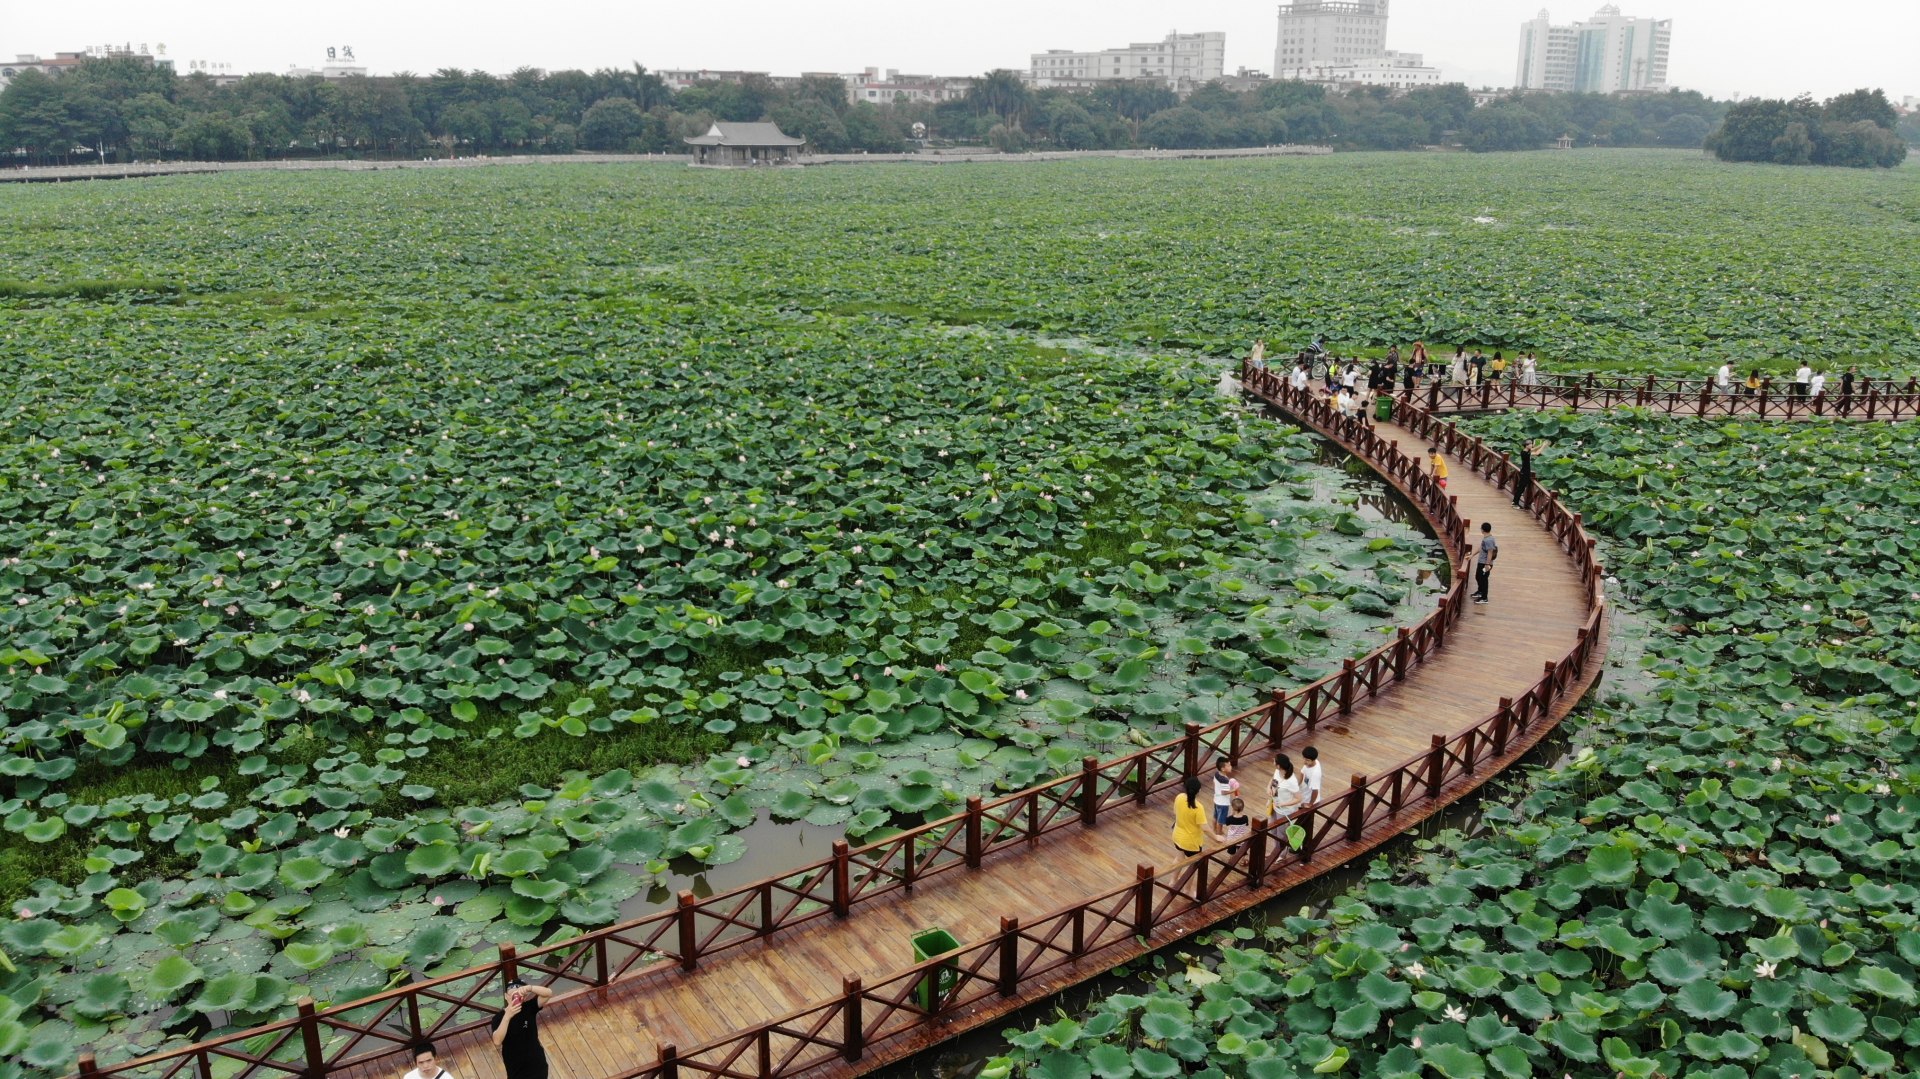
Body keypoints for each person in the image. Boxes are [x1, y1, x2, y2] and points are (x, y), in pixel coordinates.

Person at [492, 980, 554, 1079]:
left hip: (536, 1062)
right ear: (506, 996)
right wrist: (507, 1016)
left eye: (518, 995)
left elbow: (548, 993)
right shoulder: (499, 1018)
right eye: (512, 994)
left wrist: (530, 988)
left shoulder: (529, 1007)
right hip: (515, 1067)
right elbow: (497, 1041)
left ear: (523, 998)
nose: (515, 998)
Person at [1172, 775, 1208, 857]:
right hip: (1191, 842)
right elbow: (1205, 828)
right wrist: (1216, 837)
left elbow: (1175, 812)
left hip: (1177, 836)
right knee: (1197, 864)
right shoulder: (1198, 807)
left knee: (1179, 860)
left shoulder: (1179, 797)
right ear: (1199, 790)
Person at [1268, 753, 1303, 824]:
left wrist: (1282, 804)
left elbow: (1299, 798)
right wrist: (1269, 787)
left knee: (1281, 834)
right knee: (1272, 829)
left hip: (1284, 811)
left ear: (1278, 766)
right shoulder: (1277, 771)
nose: (1273, 761)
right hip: (1274, 806)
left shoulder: (1291, 781)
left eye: (1275, 761)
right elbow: (1273, 778)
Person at [1512, 439, 1544, 509]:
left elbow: (1533, 449)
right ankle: (1515, 503)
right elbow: (1537, 453)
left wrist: (1541, 445)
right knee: (1521, 488)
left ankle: (1515, 501)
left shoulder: (1526, 451)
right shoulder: (1525, 453)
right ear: (1527, 445)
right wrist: (1543, 446)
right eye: (1530, 444)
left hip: (1525, 471)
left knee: (1521, 487)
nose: (1531, 445)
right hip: (1525, 473)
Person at [1211, 755, 1239, 833]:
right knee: (1221, 820)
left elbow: (1214, 783)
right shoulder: (1225, 780)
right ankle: (1219, 833)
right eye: (1229, 765)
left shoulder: (1216, 774)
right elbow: (1224, 792)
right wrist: (1234, 789)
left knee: (1215, 816)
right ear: (1223, 769)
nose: (1231, 767)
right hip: (1223, 803)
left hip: (1216, 799)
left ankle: (1213, 829)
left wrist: (1217, 791)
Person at [1473, 521, 1498, 605]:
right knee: (1478, 577)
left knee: (1484, 579)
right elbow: (1481, 548)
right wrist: (1472, 555)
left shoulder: (1489, 540)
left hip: (1485, 563)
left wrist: (1487, 564)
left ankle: (1484, 598)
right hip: (1481, 562)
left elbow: (1490, 552)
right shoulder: (1486, 538)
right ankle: (1480, 591)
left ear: (1483, 530)